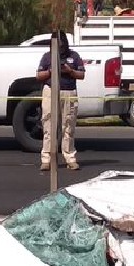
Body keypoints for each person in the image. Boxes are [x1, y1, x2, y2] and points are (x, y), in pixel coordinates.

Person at [37, 31, 85, 171]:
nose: (60, 48)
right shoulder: (47, 57)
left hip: (68, 92)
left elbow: (81, 74)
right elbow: (39, 76)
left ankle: (70, 157)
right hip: (51, 91)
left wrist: (70, 71)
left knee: (68, 126)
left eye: (62, 46)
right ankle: (47, 159)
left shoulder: (74, 56)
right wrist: (50, 71)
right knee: (48, 125)